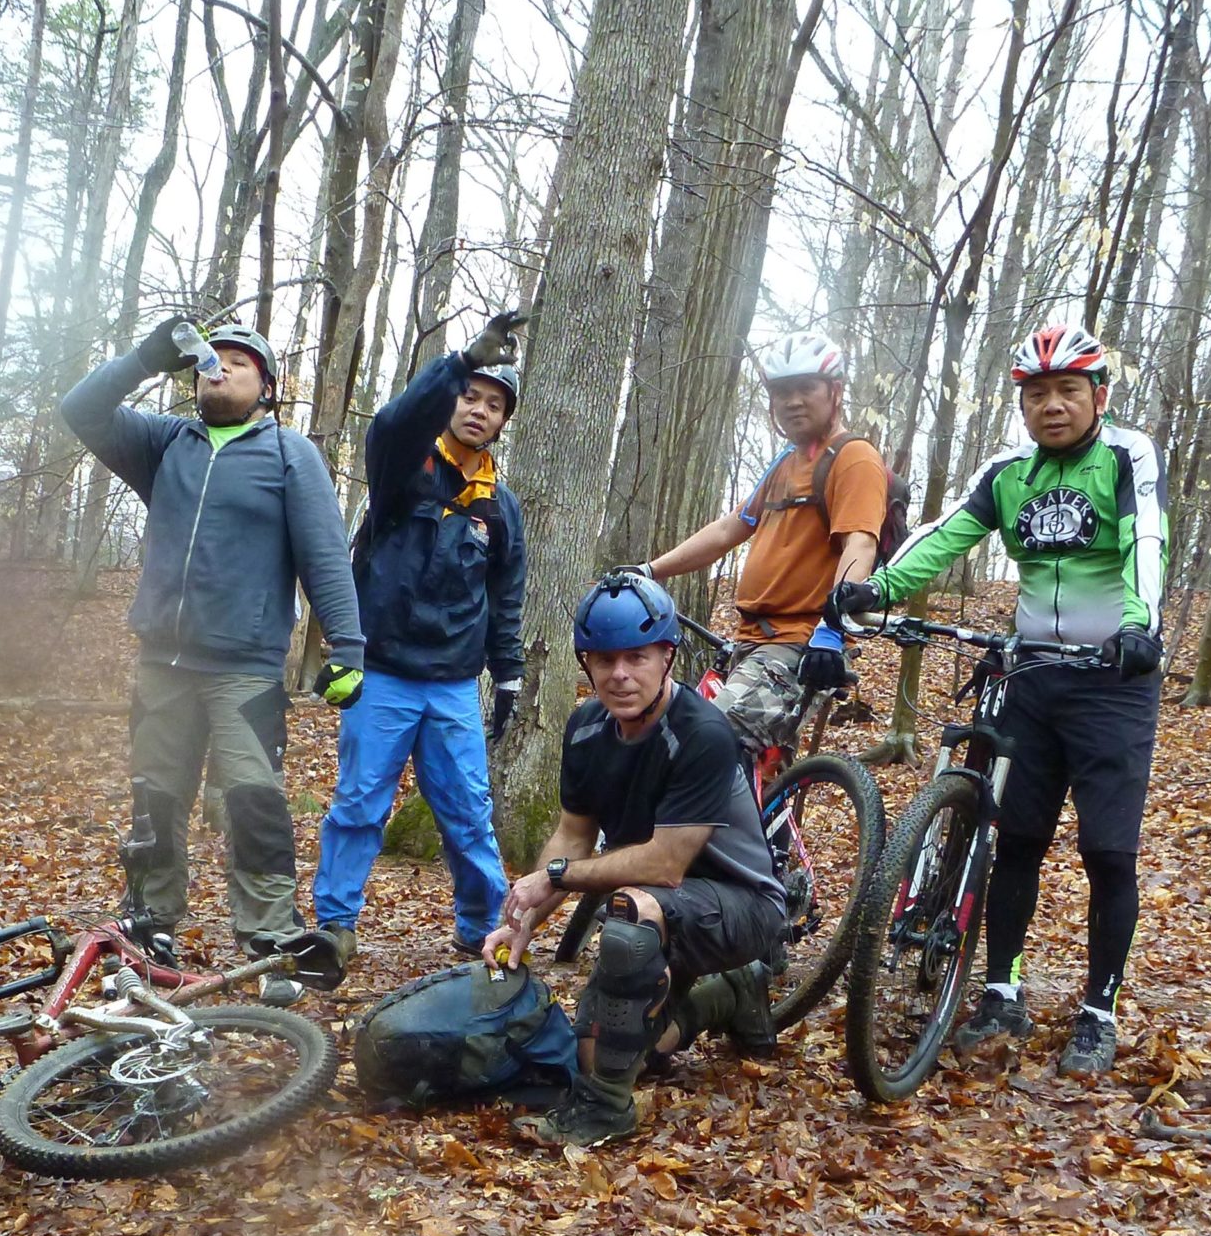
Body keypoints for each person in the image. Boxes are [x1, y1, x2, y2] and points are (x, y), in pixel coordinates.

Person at [837, 322, 1168, 1079]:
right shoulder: (1008, 471)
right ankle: (999, 989)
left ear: (1098, 397)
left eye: (1068, 392)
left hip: (1113, 680)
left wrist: (1139, 626)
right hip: (1032, 676)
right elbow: (949, 533)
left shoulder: (1125, 455)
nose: (1052, 407)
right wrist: (876, 589)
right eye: (1037, 394)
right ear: (1022, 405)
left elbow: (1145, 539)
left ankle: (1098, 1010)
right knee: (1014, 841)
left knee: (1106, 851)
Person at [61, 317, 366, 972]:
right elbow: (80, 408)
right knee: (155, 800)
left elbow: (325, 559)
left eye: (238, 363)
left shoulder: (290, 454)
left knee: (253, 799)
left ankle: (269, 934)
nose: (219, 369)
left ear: (269, 388)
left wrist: (348, 645)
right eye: (211, 361)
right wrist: (148, 356)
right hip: (162, 665)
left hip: (246, 670)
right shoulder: (166, 443)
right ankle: (149, 919)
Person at [484, 572, 787, 1148]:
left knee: (630, 915)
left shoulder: (702, 732)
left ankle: (604, 1110)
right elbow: (573, 836)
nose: (619, 674)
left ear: (667, 656)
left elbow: (664, 865)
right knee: (607, 1049)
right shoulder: (585, 729)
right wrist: (522, 921)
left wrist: (556, 877)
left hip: (744, 906)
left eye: (636, 657)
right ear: (587, 663)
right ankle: (728, 996)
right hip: (667, 907)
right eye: (603, 660)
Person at [310, 309, 529, 964]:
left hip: (455, 686)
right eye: (471, 397)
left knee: (469, 816)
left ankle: (483, 927)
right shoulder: (403, 472)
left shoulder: (501, 507)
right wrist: (460, 361)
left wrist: (509, 672)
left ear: (502, 421)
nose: (479, 410)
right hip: (382, 675)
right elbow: (389, 427)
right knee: (358, 805)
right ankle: (335, 926)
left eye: (494, 404)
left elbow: (506, 596)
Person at [643, 330, 890, 754]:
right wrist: (650, 572)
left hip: (800, 644)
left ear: (835, 391)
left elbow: (860, 544)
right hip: (751, 641)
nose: (792, 401)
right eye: (781, 392)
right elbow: (729, 529)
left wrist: (832, 631)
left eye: (805, 388)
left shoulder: (854, 457)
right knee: (709, 758)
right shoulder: (785, 462)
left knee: (699, 748)